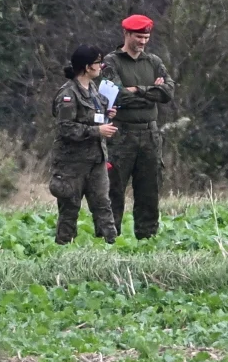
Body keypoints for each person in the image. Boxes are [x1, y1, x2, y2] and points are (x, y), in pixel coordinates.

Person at [100, 15, 175, 240]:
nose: (143, 42)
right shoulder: (111, 62)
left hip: (150, 134)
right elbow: (115, 96)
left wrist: (137, 90)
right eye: (138, 37)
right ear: (127, 34)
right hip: (121, 134)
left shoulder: (154, 62)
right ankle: (109, 238)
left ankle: (147, 237)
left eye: (146, 37)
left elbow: (168, 92)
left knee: (149, 190)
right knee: (114, 189)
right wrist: (151, 91)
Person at [50, 45, 117, 245]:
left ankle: (109, 246)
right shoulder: (68, 94)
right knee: (69, 211)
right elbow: (66, 128)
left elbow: (92, 115)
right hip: (72, 164)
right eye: (98, 62)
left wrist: (107, 115)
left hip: (96, 160)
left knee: (103, 207)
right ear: (87, 67)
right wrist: (97, 131)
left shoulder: (93, 89)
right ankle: (63, 248)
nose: (101, 66)